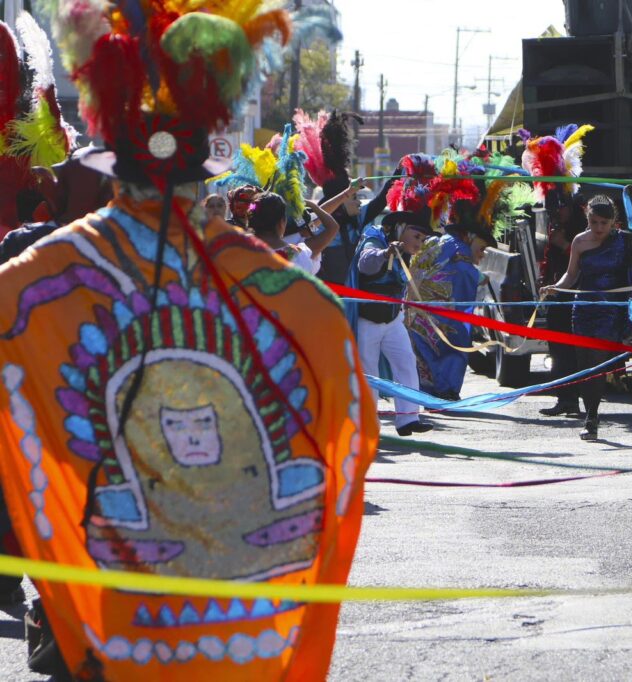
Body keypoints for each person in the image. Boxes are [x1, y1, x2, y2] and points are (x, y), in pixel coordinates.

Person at [0, 3, 377, 679]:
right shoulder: (281, 288)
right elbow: (344, 412)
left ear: (111, 166)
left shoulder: (38, 279)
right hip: (229, 630)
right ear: (205, 172)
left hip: (109, 619)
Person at [541, 196, 632, 441]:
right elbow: (571, 275)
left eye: (604, 223)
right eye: (594, 222)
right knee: (584, 365)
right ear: (587, 219)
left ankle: (591, 417)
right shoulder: (579, 241)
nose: (599, 228)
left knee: (597, 362)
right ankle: (591, 414)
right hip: (583, 308)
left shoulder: (626, 241)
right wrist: (555, 288)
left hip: (611, 310)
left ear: (613, 222)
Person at [350, 209, 435, 436]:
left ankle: (408, 419)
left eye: (422, 240)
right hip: (367, 321)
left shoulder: (404, 252)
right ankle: (369, 427)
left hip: (393, 320)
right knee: (369, 375)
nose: (419, 244)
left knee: (406, 363)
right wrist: (385, 252)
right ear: (400, 228)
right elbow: (365, 264)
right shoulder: (374, 239)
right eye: (416, 237)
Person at [406, 200, 496, 400]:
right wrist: (479, 277)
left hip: (416, 314)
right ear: (470, 236)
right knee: (453, 346)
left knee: (426, 354)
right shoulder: (459, 249)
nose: (482, 255)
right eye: (482, 248)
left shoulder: (435, 241)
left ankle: (431, 394)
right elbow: (462, 271)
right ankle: (445, 391)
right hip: (437, 316)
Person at [538, 191, 587, 417]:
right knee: (558, 351)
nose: (558, 213)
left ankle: (581, 401)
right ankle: (565, 399)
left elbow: (587, 261)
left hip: (579, 297)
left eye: (561, 207)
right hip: (558, 297)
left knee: (576, 353)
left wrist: (564, 244)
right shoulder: (555, 226)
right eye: (553, 209)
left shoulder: (584, 227)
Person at [249, 192, 341, 276]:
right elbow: (333, 227)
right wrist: (312, 205)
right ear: (282, 223)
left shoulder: (242, 253)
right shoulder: (297, 254)